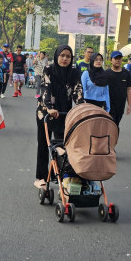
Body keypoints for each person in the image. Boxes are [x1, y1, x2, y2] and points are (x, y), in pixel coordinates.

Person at [35, 44, 83, 188]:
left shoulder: (74, 72)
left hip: (64, 112)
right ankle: (40, 178)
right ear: (57, 56)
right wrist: (49, 107)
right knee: (44, 144)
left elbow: (77, 91)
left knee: (63, 144)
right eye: (62, 55)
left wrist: (82, 107)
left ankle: (63, 176)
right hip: (45, 111)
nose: (65, 59)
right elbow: (45, 88)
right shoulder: (49, 70)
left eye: (68, 56)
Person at [107, 50, 131, 128]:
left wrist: (129, 105)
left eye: (120, 58)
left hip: (120, 106)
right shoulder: (106, 73)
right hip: (109, 106)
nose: (118, 60)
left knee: (116, 125)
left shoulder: (126, 73)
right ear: (111, 60)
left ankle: (114, 140)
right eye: (116, 58)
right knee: (110, 126)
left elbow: (129, 89)